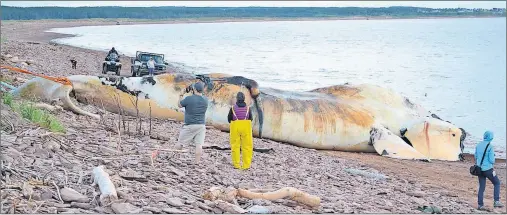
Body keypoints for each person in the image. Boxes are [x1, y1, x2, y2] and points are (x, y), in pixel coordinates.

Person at [176, 82, 208, 164]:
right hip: (201, 125)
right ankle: (197, 162)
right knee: (199, 144)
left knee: (180, 142)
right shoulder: (205, 100)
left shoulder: (189, 98)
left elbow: (179, 105)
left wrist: (181, 95)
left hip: (190, 125)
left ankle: (174, 156)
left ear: (194, 89)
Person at [475, 130, 504, 210]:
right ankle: (496, 201)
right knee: (497, 183)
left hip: (479, 169)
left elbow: (476, 157)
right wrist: (493, 156)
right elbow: (492, 160)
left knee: (482, 187)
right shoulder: (490, 146)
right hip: (488, 169)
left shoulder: (478, 145)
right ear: (491, 137)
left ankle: (480, 205)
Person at [227, 92, 254, 170]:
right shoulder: (248, 108)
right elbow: (251, 119)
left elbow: (229, 119)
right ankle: (246, 165)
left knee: (235, 146)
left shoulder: (232, 108)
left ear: (237, 99)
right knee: (247, 147)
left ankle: (237, 165)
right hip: (246, 128)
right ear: (244, 99)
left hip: (235, 127)